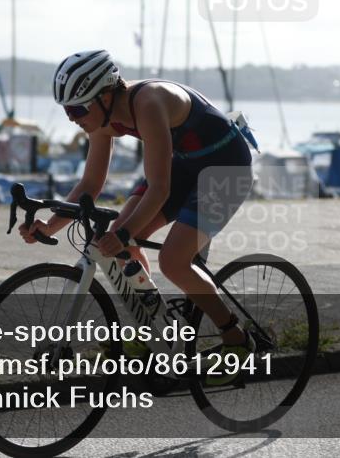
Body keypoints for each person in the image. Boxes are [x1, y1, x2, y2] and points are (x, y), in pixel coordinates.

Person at [18, 50, 254, 377]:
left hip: (225, 169)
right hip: (185, 163)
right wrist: (51, 226)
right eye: (66, 110)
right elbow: (90, 183)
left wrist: (124, 233)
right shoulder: (100, 119)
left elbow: (160, 189)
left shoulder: (148, 103)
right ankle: (159, 330)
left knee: (172, 260)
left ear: (103, 96)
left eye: (76, 108)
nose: (72, 118)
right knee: (121, 245)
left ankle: (234, 334)